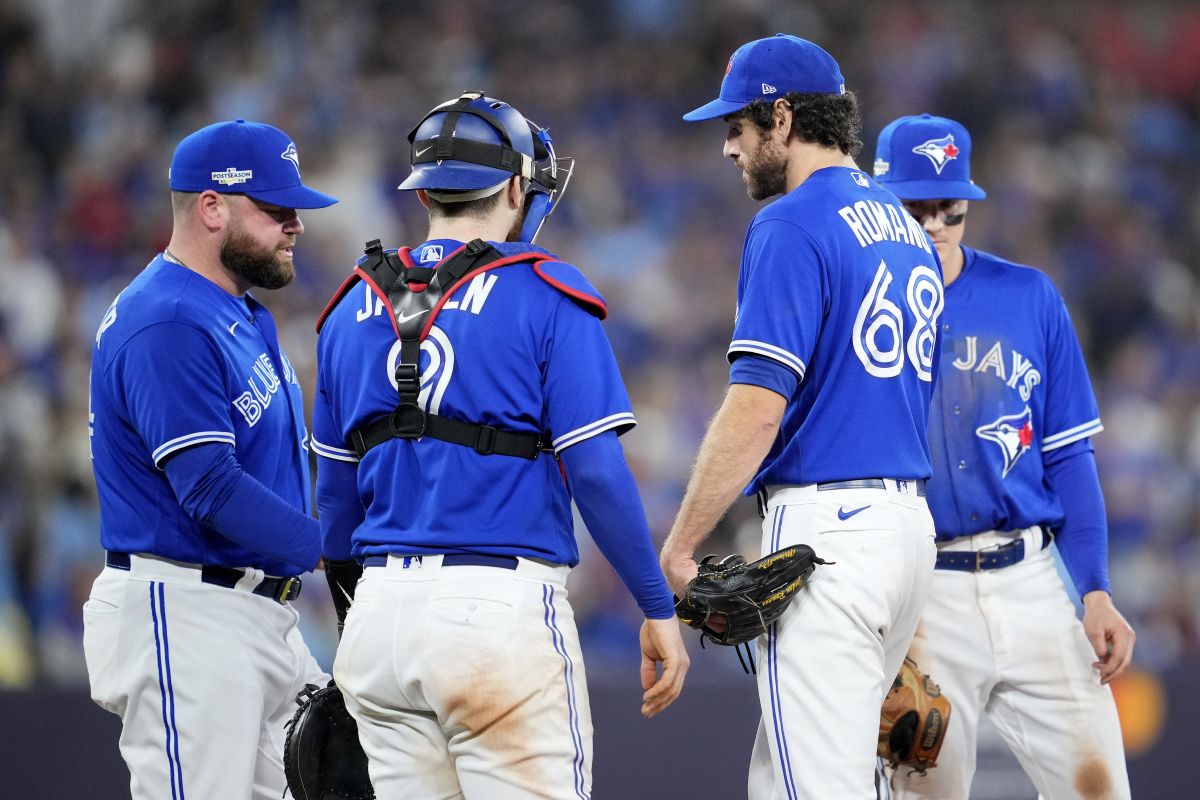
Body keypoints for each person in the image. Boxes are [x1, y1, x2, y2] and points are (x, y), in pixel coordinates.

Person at [312, 91, 689, 799]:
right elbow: (599, 476)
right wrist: (655, 605)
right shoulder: (546, 292)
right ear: (517, 186)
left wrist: (362, 615)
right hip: (494, 615)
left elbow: (333, 500)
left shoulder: (346, 306)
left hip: (378, 620)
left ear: (425, 188)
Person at [662, 34, 945, 799]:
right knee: (812, 776)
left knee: (815, 788)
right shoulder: (908, 231)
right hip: (907, 534)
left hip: (829, 536)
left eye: (738, 126)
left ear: (782, 118)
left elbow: (757, 407)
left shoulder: (791, 222)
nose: (728, 147)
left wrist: (683, 547)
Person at [872, 113, 1134, 799]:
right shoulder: (855, 307)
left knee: (1100, 788)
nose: (932, 223)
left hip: (1033, 582)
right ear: (878, 203)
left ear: (966, 204)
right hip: (921, 592)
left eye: (947, 209)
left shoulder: (1028, 297)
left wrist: (1097, 589)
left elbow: (1070, 458)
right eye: (913, 207)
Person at [83, 120, 338, 799]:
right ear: (212, 207)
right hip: (186, 611)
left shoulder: (234, 309)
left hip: (256, 615)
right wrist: (332, 548)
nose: (296, 225)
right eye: (276, 209)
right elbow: (211, 489)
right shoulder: (166, 319)